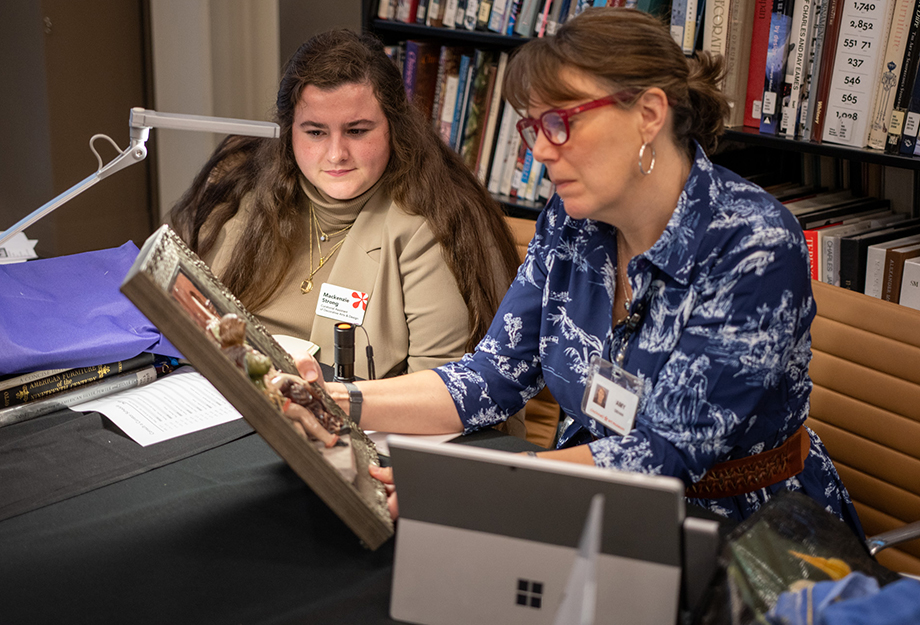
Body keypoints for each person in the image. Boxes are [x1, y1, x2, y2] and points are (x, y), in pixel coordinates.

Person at [290, 8, 864, 536]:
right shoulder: (573, 221)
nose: (540, 149)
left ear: (648, 114)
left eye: (560, 122)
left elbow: (664, 455)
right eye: (532, 128)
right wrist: (339, 401)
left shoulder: (752, 244)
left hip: (741, 538)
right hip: (579, 498)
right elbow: (494, 375)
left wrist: (469, 483)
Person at [168, 30, 520, 386]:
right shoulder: (244, 188)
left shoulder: (432, 224)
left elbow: (443, 393)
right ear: (290, 132)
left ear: (394, 129)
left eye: (356, 131)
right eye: (315, 133)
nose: (336, 154)